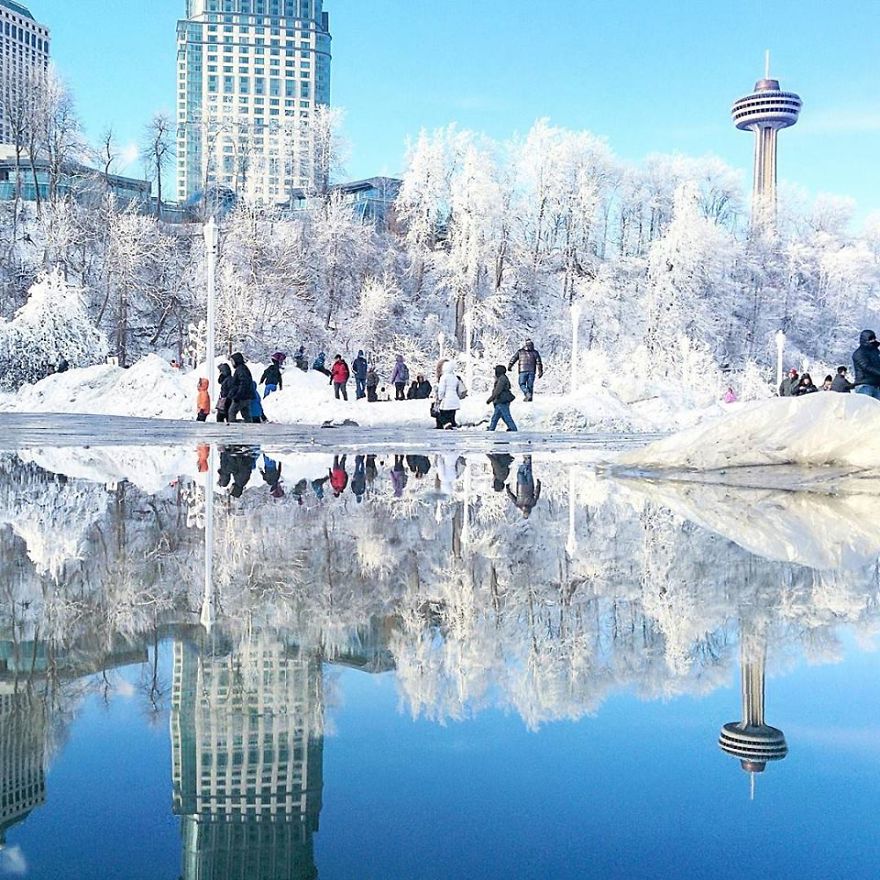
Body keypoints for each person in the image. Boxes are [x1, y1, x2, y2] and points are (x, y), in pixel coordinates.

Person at [486, 364, 517, 432]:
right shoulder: (501, 378)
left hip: (502, 400)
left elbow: (498, 390)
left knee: (506, 416)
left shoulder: (502, 379)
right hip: (500, 400)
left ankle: (513, 429)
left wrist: (490, 399)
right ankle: (491, 428)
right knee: (496, 417)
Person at [227, 352, 255, 422]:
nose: (232, 363)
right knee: (246, 414)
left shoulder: (240, 369)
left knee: (232, 412)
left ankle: (233, 428)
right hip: (246, 396)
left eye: (232, 361)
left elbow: (243, 383)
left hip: (241, 397)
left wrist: (238, 395)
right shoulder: (243, 368)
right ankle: (248, 427)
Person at [852, 329, 880, 399]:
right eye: (870, 339)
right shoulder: (859, 353)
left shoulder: (876, 351)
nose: (873, 340)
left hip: (876, 385)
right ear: (865, 339)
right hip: (864, 385)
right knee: (866, 408)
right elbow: (866, 367)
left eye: (873, 338)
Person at [435, 360, 462, 429]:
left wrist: (440, 398)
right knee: (452, 415)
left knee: (441, 414)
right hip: (454, 399)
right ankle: (453, 426)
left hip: (446, 399)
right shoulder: (454, 377)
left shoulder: (444, 377)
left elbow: (441, 390)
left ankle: (447, 425)